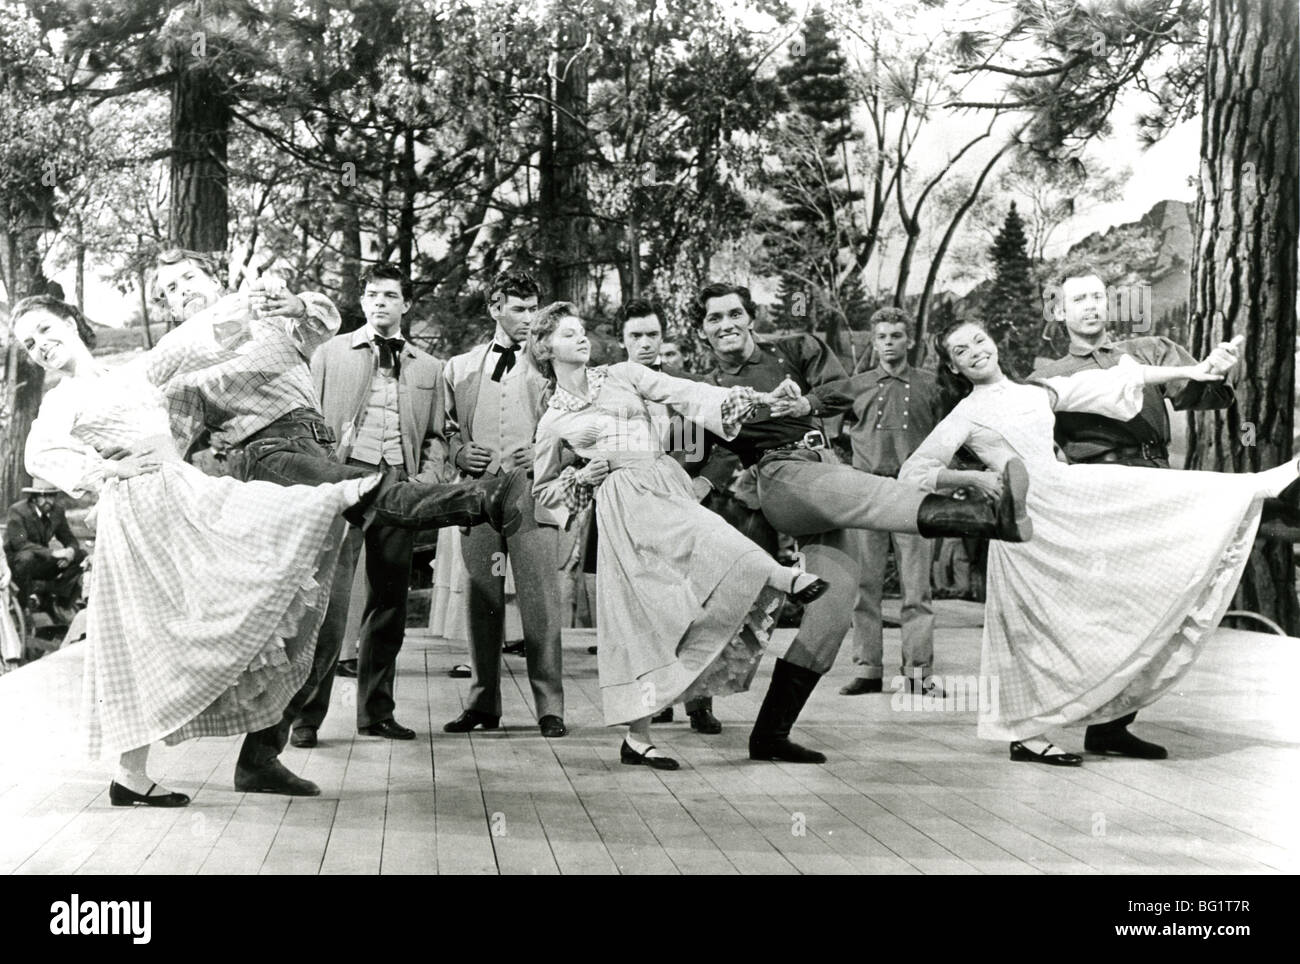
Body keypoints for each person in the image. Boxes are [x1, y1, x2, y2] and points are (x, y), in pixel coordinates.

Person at [143, 249, 527, 796]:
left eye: (189, 278)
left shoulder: (269, 321)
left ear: (215, 278)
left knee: (322, 629)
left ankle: (259, 759)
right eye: (171, 289)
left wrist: (297, 301)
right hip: (271, 457)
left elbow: (323, 319)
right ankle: (482, 498)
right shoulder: (181, 364)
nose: (183, 290)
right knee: (368, 487)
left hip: (320, 445)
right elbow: (170, 445)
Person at [11, 294, 381, 807]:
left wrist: (252, 301)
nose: (42, 346)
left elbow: (194, 339)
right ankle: (129, 775)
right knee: (137, 637)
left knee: (227, 577)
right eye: (29, 343)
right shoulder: (60, 401)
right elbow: (41, 454)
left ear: (72, 322)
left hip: (179, 496)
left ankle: (131, 774)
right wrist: (103, 472)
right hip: (137, 515)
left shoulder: (135, 372)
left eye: (47, 330)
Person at [899, 319, 1294, 765]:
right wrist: (974, 477)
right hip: (1024, 520)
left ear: (991, 344)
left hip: (1065, 502)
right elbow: (913, 472)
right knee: (1031, 630)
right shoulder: (965, 415)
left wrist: (1198, 370)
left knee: (1143, 499)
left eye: (978, 341)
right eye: (961, 351)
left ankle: (1257, 486)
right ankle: (1026, 736)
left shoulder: (1037, 391)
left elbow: (1114, 381)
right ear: (953, 366)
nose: (974, 351)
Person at [691, 282, 1031, 765]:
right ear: (702, 331)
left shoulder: (797, 349)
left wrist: (807, 399)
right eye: (713, 319)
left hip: (822, 471)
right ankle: (985, 517)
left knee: (832, 614)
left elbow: (852, 388)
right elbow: (706, 456)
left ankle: (769, 734)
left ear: (750, 317)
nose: (725, 325)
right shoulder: (705, 389)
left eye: (733, 314)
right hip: (783, 477)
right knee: (869, 491)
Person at [529, 303, 828, 770]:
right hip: (623, 509)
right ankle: (637, 737)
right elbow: (544, 493)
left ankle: (782, 577)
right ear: (547, 348)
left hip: (664, 482)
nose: (583, 339)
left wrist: (765, 401)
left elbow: (690, 394)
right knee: (647, 618)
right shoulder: (551, 421)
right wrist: (584, 477)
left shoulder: (623, 373)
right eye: (570, 335)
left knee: (712, 534)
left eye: (584, 331)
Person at [1032, 263, 1240, 758]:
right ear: (1059, 310)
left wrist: (1220, 366)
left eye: (1098, 296)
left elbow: (1205, 393)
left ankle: (1112, 726)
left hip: (1158, 484)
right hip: (1099, 493)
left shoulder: (1149, 352)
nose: (1091, 306)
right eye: (1078, 298)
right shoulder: (1047, 378)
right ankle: (1063, 715)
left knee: (1159, 606)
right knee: (1104, 613)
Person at [290, 263, 449, 748]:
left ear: (405, 305)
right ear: (363, 303)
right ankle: (304, 718)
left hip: (397, 485)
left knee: (389, 602)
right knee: (330, 604)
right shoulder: (330, 354)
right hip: (342, 483)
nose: (382, 303)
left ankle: (376, 712)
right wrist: (320, 474)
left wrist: (425, 479)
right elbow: (305, 420)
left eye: (391, 296)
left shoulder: (428, 365)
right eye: (374, 295)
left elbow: (439, 436)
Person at [440, 270, 566, 738]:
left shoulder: (553, 365)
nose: (530, 318)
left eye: (535, 308)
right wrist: (458, 451)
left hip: (531, 490)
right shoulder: (459, 367)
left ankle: (550, 708)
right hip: (478, 490)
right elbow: (446, 429)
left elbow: (580, 427)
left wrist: (544, 451)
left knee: (541, 599)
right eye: (518, 308)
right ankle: (482, 704)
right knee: (482, 598)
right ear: (494, 308)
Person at [612, 298, 721, 733]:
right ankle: (656, 701)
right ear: (621, 341)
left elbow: (725, 445)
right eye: (635, 336)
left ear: (663, 336)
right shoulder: (607, 391)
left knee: (696, 607)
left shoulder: (689, 388)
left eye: (651, 335)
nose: (644, 343)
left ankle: (700, 702)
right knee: (646, 612)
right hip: (636, 518)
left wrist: (706, 482)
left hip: (689, 510)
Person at [838, 307, 946, 697]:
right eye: (881, 336)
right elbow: (833, 432)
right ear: (873, 340)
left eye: (896, 336)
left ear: (910, 340)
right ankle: (867, 670)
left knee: (917, 589)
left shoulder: (931, 385)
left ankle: (918, 673)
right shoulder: (857, 385)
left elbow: (947, 438)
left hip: (913, 496)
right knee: (864, 585)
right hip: (867, 495)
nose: (888, 343)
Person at [4, 481, 87, 625]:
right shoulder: (18, 511)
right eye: (45, 496)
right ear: (34, 497)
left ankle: (60, 602)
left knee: (82, 555)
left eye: (52, 496)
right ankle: (23, 606)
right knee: (26, 558)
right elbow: (20, 544)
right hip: (17, 564)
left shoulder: (56, 511)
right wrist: (54, 553)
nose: (50, 501)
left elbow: (69, 538)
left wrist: (70, 552)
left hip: (41, 562)